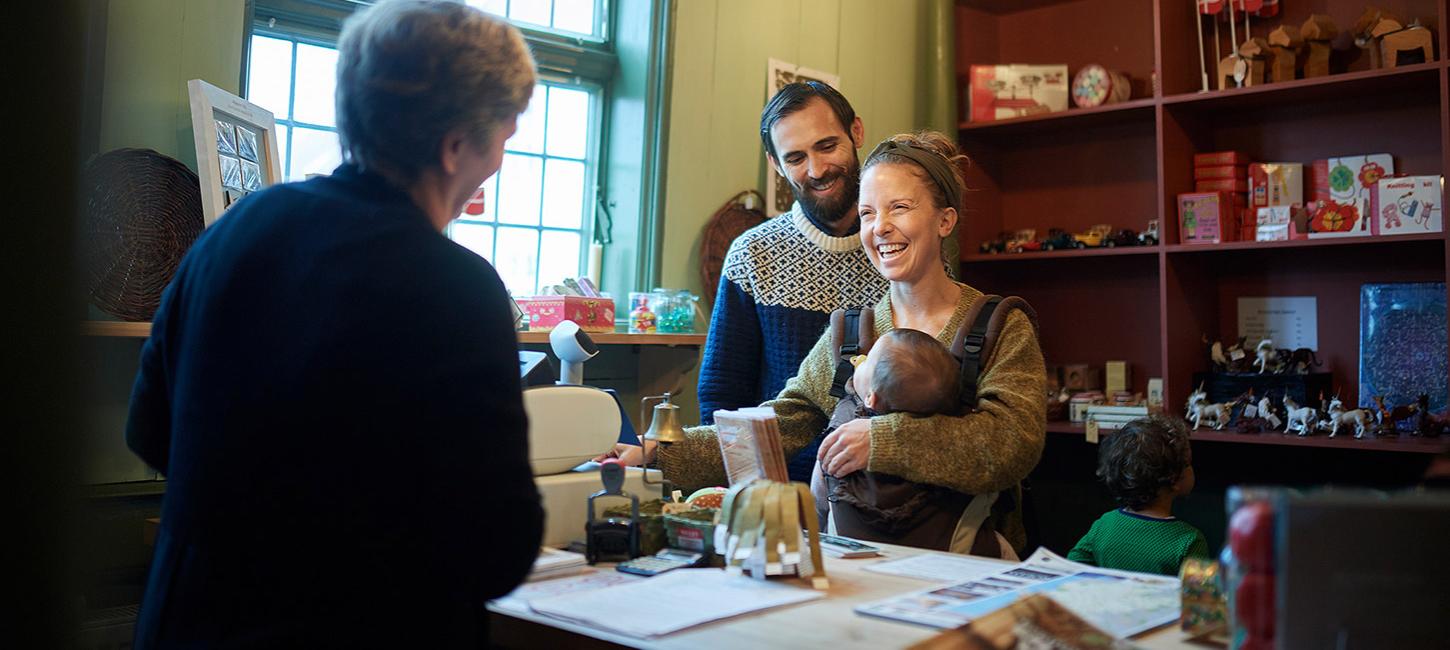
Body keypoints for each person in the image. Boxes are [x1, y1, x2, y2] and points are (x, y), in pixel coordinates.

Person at [124, 2, 542, 646]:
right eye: (505, 139)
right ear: (456, 145)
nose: (500, 162)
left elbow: (151, 432)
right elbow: (495, 548)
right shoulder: (456, 287)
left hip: (192, 622)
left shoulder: (233, 232)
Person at [655, 131, 1046, 554]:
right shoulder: (850, 333)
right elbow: (780, 425)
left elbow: (1013, 443)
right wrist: (659, 455)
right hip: (859, 570)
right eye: (867, 213)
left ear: (944, 220)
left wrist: (881, 442)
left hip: (969, 571)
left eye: (900, 207)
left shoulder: (1000, 326)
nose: (880, 228)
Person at [697, 81, 888, 483]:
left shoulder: (900, 248)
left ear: (857, 132)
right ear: (775, 163)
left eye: (827, 146)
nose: (816, 170)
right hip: (780, 491)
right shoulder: (752, 255)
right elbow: (722, 394)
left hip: (880, 494)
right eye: (796, 157)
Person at [808, 328, 959, 526]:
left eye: (868, 359)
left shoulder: (842, 432)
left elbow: (818, 503)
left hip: (851, 544)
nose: (860, 358)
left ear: (871, 398)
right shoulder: (945, 451)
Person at [1068, 415, 1210, 575]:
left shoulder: (1104, 525)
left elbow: (1072, 566)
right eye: (1188, 463)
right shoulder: (1189, 541)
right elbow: (1200, 598)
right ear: (1174, 479)